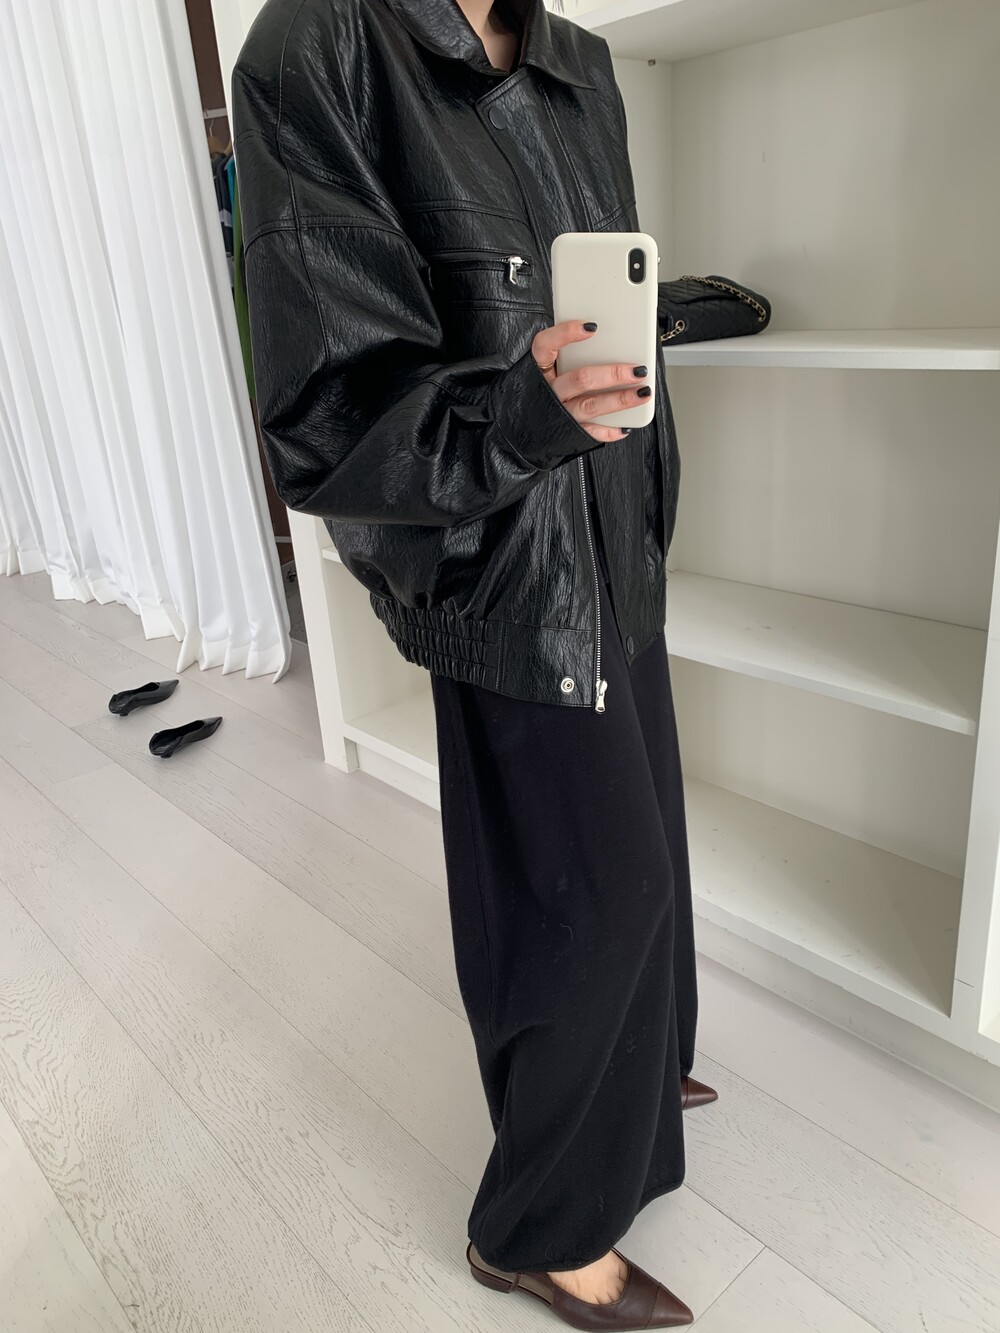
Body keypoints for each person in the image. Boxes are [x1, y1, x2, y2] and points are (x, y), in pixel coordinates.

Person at [232, 1, 717, 1327]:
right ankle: (536, 1229)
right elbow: (326, 414)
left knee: (655, 843)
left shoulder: (580, 60)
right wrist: (522, 414)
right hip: (500, 553)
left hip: (618, 514)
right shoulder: (316, 49)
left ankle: (636, 1079)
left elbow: (589, 294)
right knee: (586, 889)